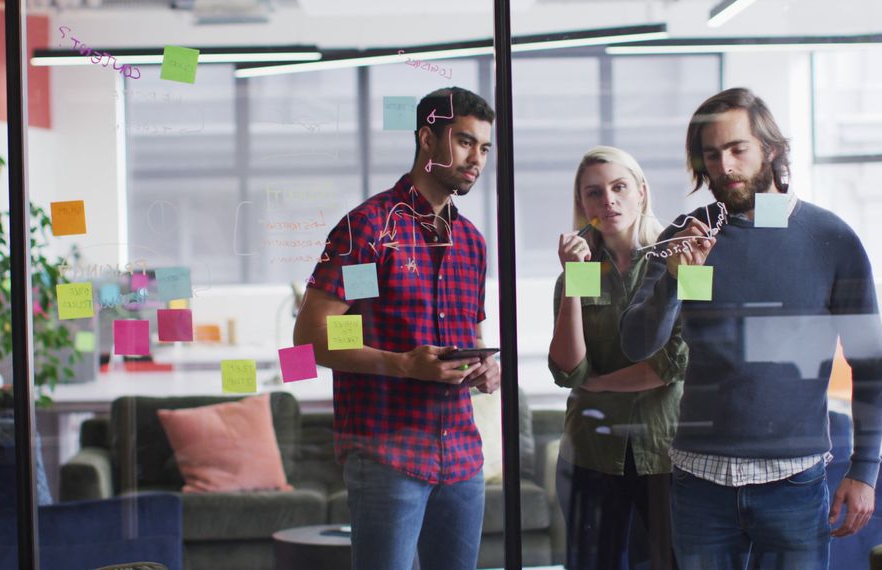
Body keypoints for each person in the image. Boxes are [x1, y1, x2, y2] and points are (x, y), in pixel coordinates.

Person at [620, 88, 882, 569]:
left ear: (770, 149)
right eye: (711, 154)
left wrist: (864, 471)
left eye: (737, 149)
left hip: (794, 482)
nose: (724, 166)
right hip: (699, 482)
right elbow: (638, 342)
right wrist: (675, 282)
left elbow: (872, 362)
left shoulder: (829, 238)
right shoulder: (686, 235)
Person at [294, 87, 500, 570]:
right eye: (466, 142)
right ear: (428, 139)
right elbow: (313, 337)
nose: (477, 160)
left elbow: (469, 336)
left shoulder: (470, 242)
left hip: (463, 456)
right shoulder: (368, 231)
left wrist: (484, 369)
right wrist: (403, 364)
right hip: (387, 454)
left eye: (485, 148)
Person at [549, 146, 688, 570]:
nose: (607, 200)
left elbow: (673, 363)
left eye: (619, 187)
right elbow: (568, 369)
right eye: (594, 193)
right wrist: (573, 281)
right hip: (591, 452)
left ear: (641, 192)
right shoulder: (580, 269)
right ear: (583, 205)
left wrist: (601, 383)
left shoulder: (678, 261)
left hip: (664, 452)